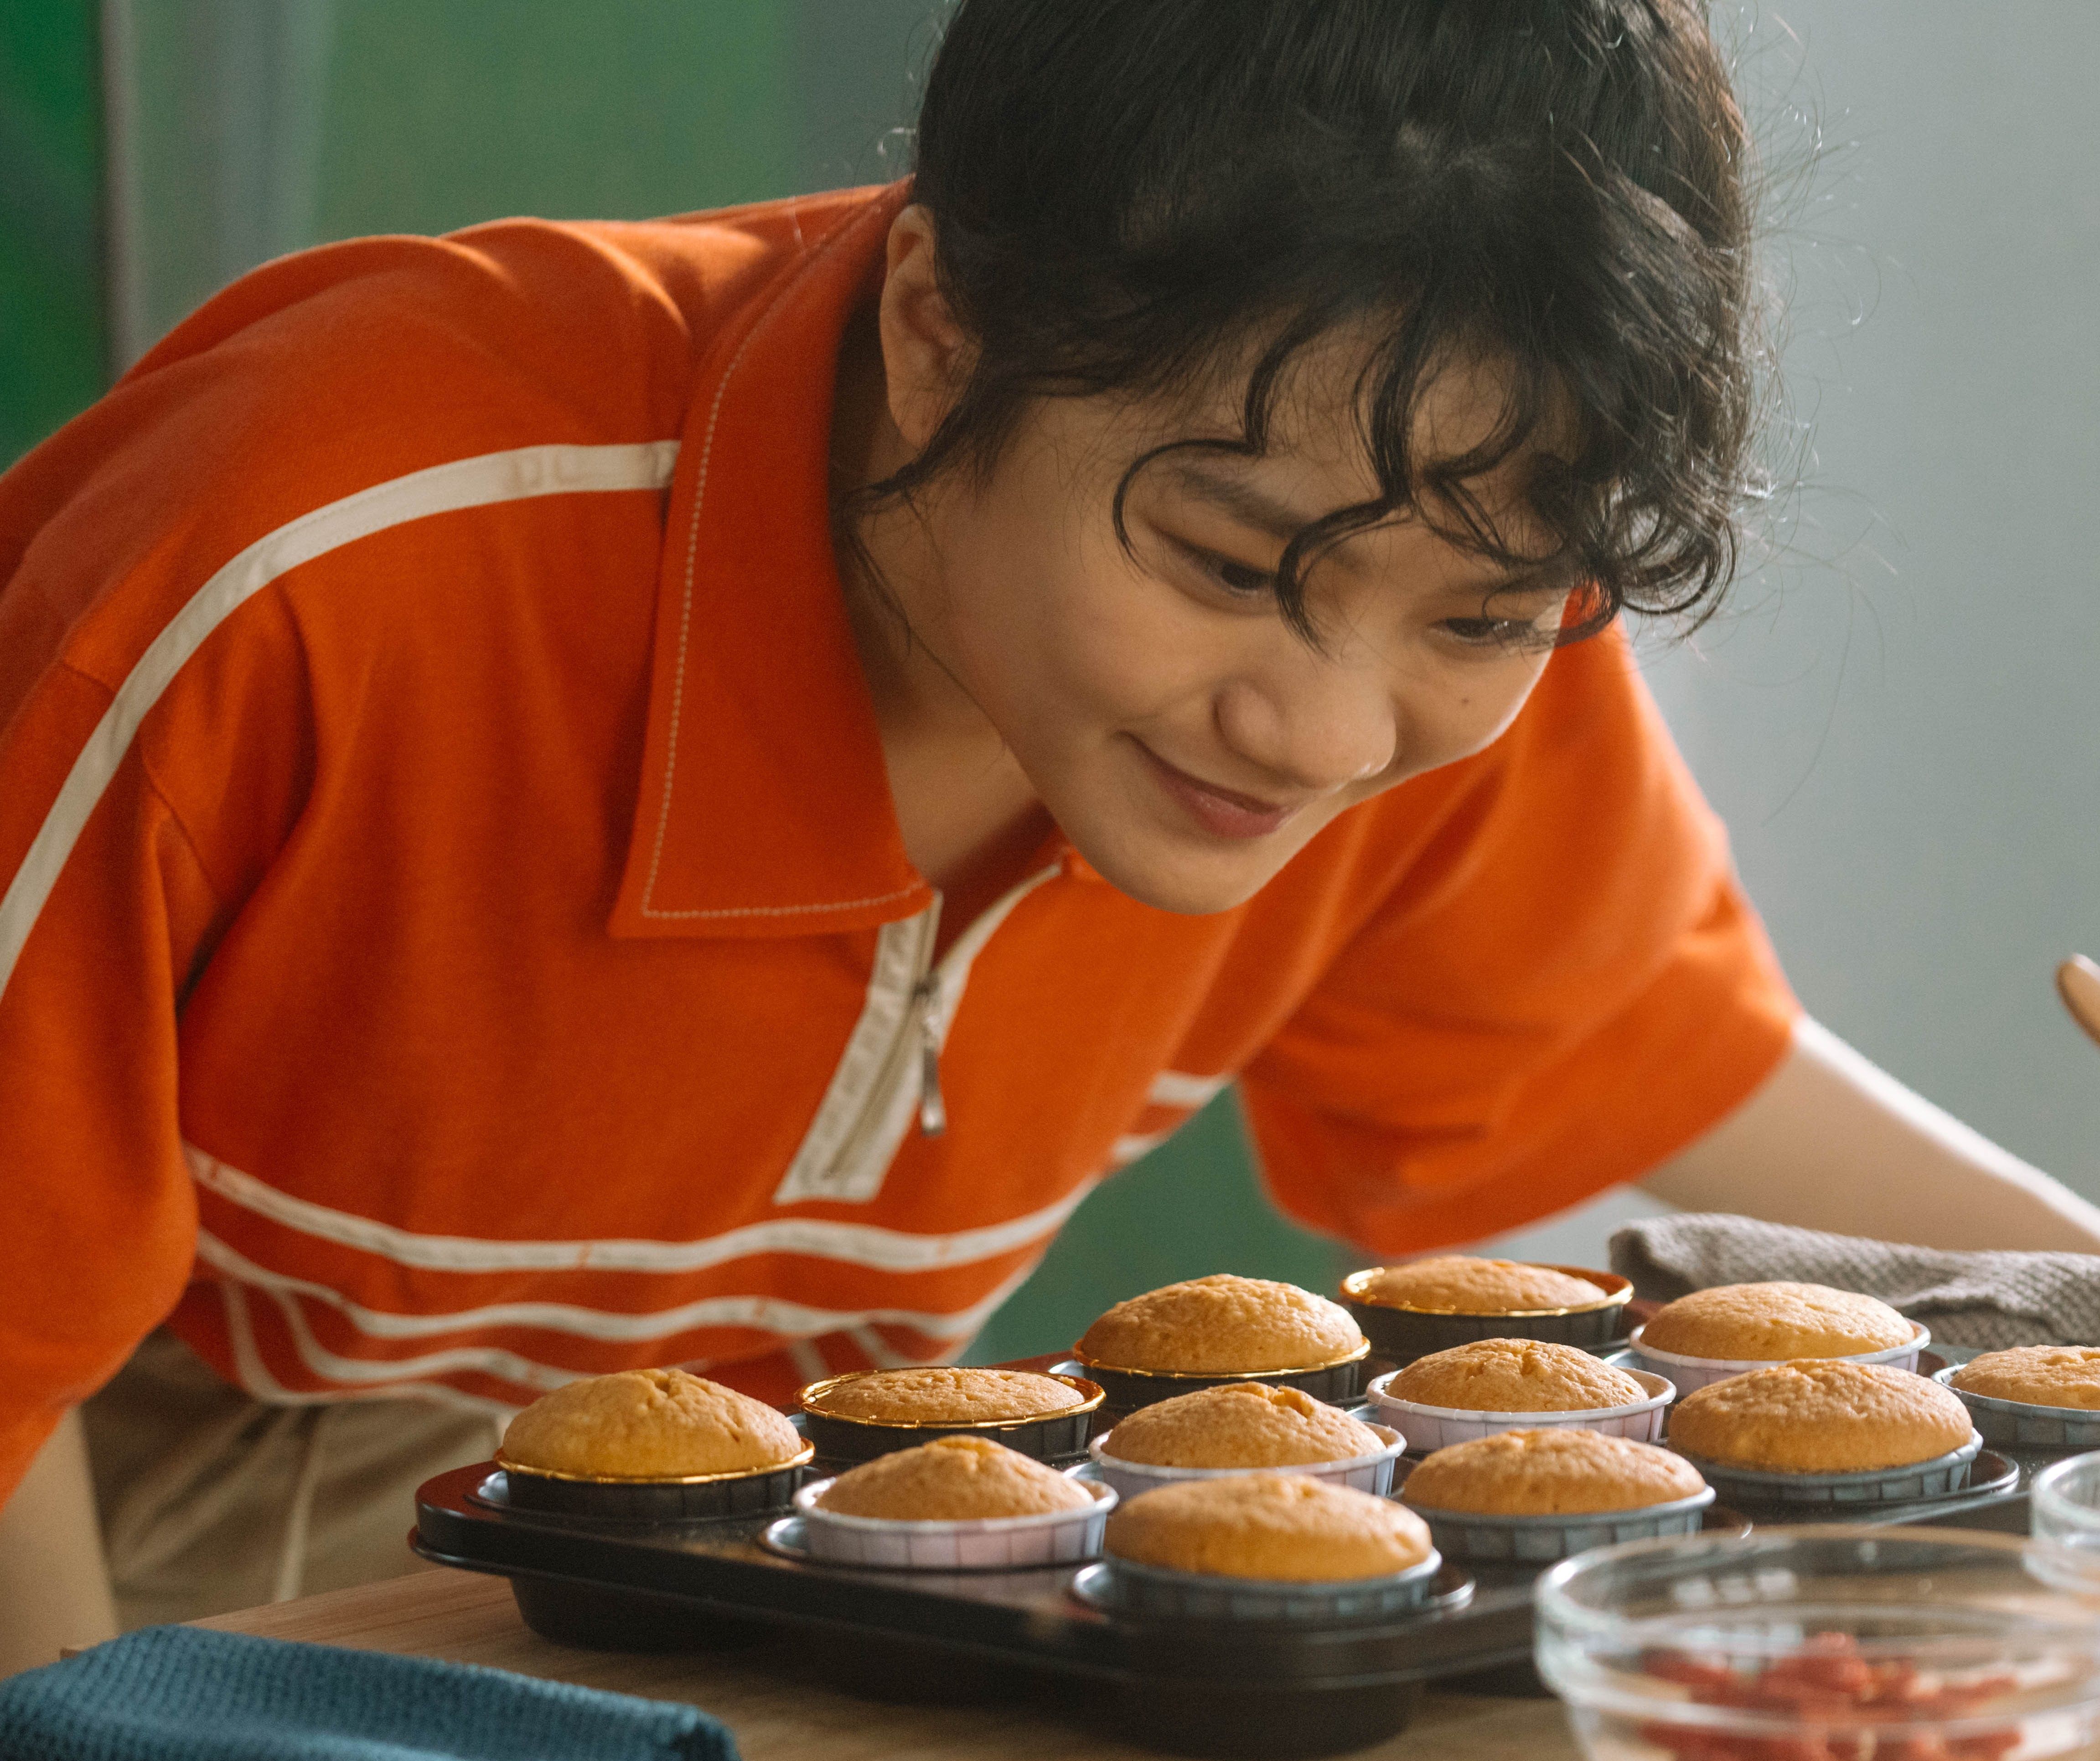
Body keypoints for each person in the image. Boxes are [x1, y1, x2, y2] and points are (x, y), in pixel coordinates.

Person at [2, 0, 2094, 1667]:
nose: (1328, 727)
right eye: (1222, 556)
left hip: (710, 1551)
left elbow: (1683, 1065)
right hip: (134, 1491)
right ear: (938, 327)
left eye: (1478, 617)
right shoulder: (319, 558)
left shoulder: (1422, 615)